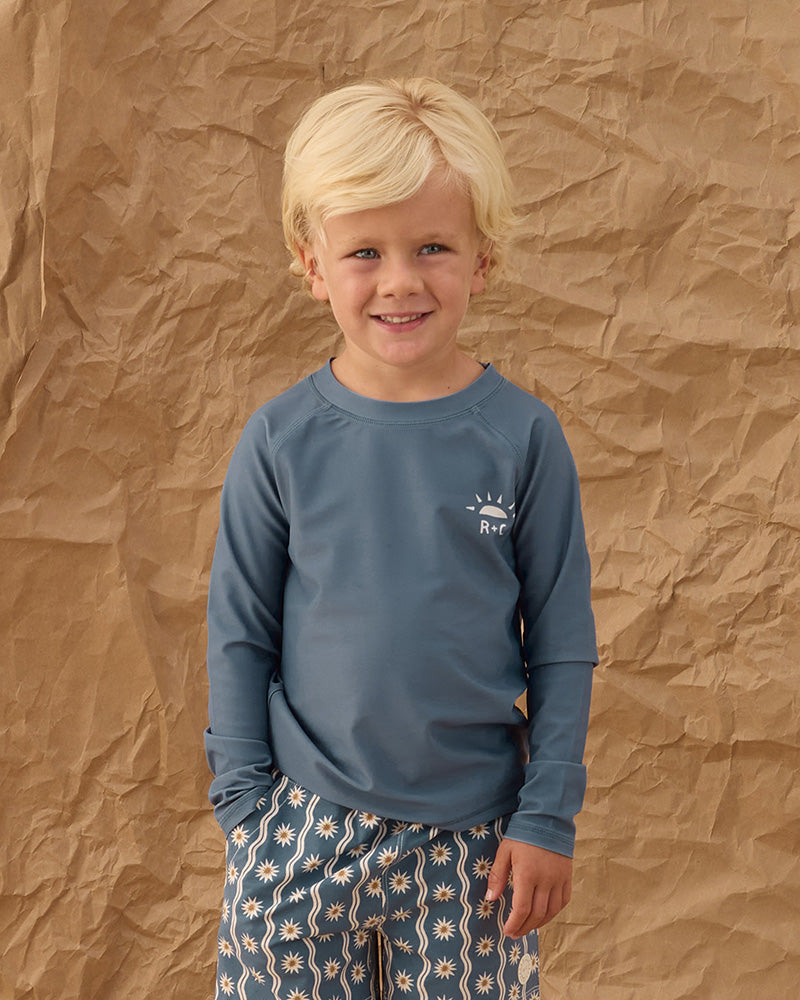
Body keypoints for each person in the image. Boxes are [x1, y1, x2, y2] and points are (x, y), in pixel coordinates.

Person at [205, 78, 597, 1000]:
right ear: (312, 265)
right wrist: (246, 809)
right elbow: (240, 632)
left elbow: (561, 643)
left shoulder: (523, 437)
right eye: (364, 252)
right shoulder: (280, 440)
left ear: (482, 259)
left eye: (432, 247)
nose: (400, 281)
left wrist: (546, 816)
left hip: (478, 845)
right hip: (301, 826)